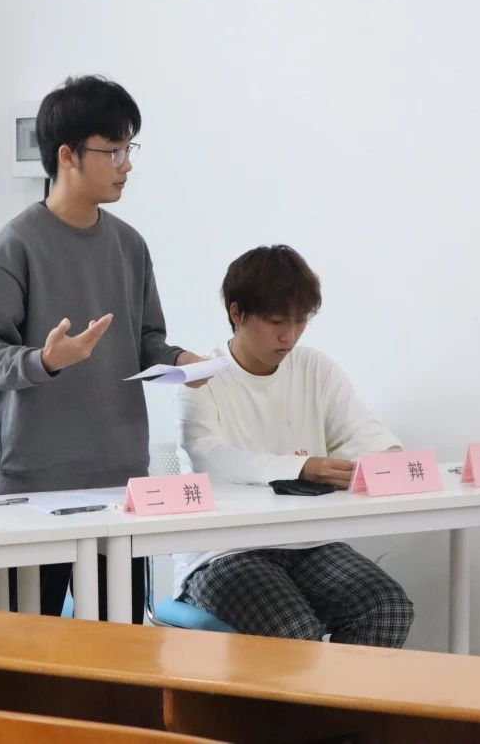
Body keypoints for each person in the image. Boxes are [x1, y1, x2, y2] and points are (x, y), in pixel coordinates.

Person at [0, 75, 204, 621]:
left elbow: (145, 340)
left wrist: (182, 363)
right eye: (113, 151)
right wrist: (45, 361)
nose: (127, 164)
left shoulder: (129, 244)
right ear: (67, 155)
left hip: (120, 477)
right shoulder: (15, 245)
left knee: (119, 643)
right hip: (36, 484)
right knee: (30, 645)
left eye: (129, 149)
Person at [174, 245, 414, 646]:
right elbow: (209, 459)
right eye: (275, 321)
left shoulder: (314, 367)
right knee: (293, 633)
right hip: (223, 550)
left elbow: (367, 436)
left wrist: (379, 464)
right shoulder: (201, 378)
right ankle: (313, 690)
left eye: (300, 320)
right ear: (237, 313)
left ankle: (336, 691)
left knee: (386, 608)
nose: (289, 335)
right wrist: (300, 467)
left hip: (309, 541)